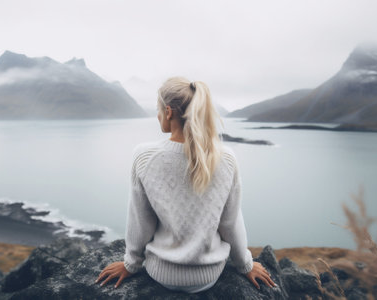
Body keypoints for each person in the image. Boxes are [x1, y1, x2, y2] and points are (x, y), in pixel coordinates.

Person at [96, 76, 276, 293]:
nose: (157, 115)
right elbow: (231, 222)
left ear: (169, 112)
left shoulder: (144, 156)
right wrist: (245, 265)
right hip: (210, 276)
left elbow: (140, 221)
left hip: (160, 274)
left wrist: (130, 264)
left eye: (158, 109)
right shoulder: (226, 158)